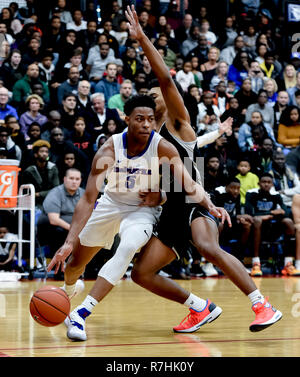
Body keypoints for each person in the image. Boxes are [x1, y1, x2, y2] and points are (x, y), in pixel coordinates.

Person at [48, 94, 208, 340]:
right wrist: (69, 241)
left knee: (129, 246)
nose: (146, 124)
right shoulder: (109, 148)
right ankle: (69, 291)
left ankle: (81, 313)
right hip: (110, 204)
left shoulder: (162, 146)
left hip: (142, 210)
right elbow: (89, 198)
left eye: (151, 120)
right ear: (126, 119)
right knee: (75, 265)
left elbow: (189, 183)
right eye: (140, 119)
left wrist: (209, 202)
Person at [245, 173, 300, 276]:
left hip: (272, 229)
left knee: (288, 222)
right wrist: (270, 214)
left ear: (272, 184)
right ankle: (256, 263)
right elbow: (249, 213)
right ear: (259, 183)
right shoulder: (251, 194)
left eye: (269, 182)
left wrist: (270, 215)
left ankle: (288, 264)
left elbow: (285, 212)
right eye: (264, 182)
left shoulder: (276, 195)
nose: (266, 184)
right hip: (255, 230)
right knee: (257, 220)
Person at [37, 168, 84, 257]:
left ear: (80, 180)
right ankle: (59, 265)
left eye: (77, 179)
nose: (74, 182)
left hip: (74, 227)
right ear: (65, 179)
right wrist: (74, 231)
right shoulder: (55, 193)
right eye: (71, 178)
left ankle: (93, 267)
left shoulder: (83, 194)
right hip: (54, 227)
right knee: (60, 232)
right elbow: (54, 220)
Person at [21, 139, 60, 210]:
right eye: (42, 151)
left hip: (51, 201)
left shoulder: (53, 168)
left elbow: (56, 190)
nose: (44, 154)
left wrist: (39, 194)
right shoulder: (29, 171)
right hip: (34, 203)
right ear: (36, 154)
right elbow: (29, 193)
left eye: (46, 152)